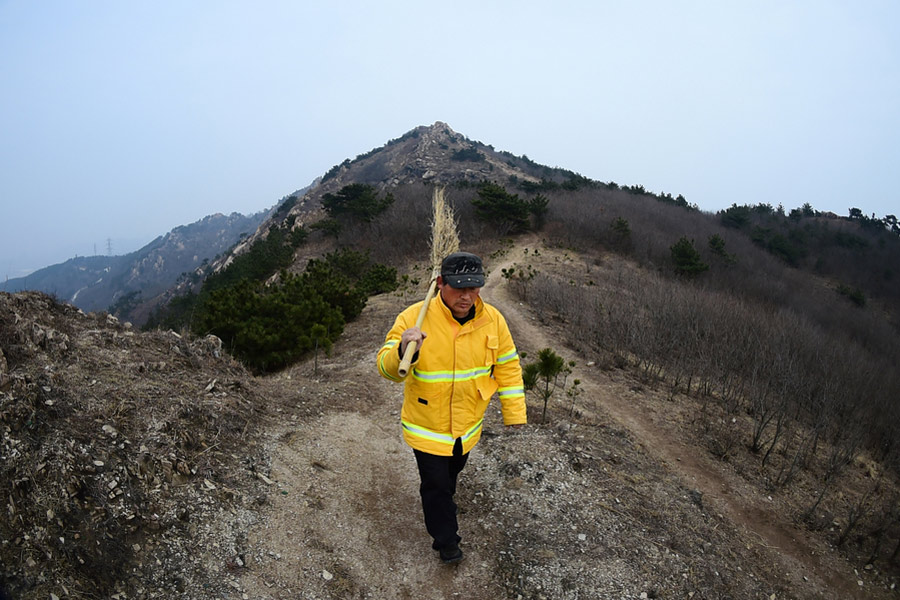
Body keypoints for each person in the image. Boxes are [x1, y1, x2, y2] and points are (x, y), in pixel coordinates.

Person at [377, 251, 527, 564]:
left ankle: (443, 507)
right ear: (441, 284)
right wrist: (404, 348)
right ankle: (447, 542)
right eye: (459, 288)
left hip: (467, 427)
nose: (467, 296)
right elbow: (387, 368)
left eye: (473, 288)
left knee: (449, 479)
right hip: (427, 425)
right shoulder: (413, 318)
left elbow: (508, 367)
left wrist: (515, 413)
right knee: (435, 485)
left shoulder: (493, 320)